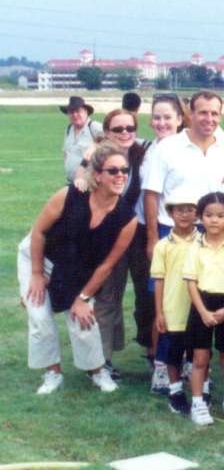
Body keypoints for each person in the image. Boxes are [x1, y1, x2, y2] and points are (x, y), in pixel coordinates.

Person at [19, 140, 137, 395]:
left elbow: (106, 265)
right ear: (98, 175)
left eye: (124, 170)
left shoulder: (127, 218)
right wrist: (36, 274)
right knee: (40, 317)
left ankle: (97, 371)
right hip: (40, 258)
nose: (120, 176)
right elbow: (39, 232)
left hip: (76, 269)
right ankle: (53, 374)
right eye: (113, 170)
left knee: (83, 318)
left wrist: (83, 298)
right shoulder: (70, 195)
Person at [70, 109, 148, 379]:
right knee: (107, 296)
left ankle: (148, 352)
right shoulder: (98, 159)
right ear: (106, 133)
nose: (125, 133)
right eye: (118, 129)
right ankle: (102, 361)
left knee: (141, 294)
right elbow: (79, 182)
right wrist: (85, 163)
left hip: (136, 233)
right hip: (107, 237)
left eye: (130, 128)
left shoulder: (142, 152)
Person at [144, 90, 224, 251]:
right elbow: (151, 195)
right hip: (171, 233)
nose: (209, 119)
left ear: (220, 116)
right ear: (191, 114)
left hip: (213, 234)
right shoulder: (167, 147)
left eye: (214, 114)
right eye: (203, 113)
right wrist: (152, 239)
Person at [183, 192, 224, 426]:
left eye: (220, 216)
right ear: (200, 217)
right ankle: (198, 403)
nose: (214, 220)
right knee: (200, 358)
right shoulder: (195, 247)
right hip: (202, 305)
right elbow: (191, 282)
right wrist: (202, 311)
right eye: (209, 215)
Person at [144, 94, 191, 391]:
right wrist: (153, 237)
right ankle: (161, 365)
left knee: (190, 300)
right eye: (156, 117)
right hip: (165, 230)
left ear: (180, 118)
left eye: (168, 117)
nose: (162, 123)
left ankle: (186, 361)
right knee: (163, 302)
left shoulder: (194, 144)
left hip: (195, 231)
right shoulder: (151, 148)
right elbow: (151, 194)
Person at [151, 191, 201, 414]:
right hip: (173, 307)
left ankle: (201, 387)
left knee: (199, 350)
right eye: (179, 210)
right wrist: (159, 312)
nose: (185, 215)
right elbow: (159, 280)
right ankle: (175, 390)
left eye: (190, 210)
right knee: (173, 352)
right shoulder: (162, 245)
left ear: (197, 215)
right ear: (169, 213)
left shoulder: (203, 241)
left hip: (198, 307)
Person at [61, 96, 103, 182]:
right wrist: (67, 171)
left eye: (78, 111)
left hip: (90, 182)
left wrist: (94, 145)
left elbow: (109, 141)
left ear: (86, 112)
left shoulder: (94, 127)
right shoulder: (69, 129)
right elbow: (65, 152)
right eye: (71, 112)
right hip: (73, 182)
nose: (75, 115)